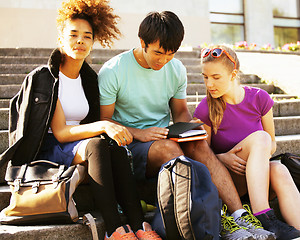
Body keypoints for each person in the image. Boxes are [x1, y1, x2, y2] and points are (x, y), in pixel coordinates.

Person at [98, 11, 274, 240]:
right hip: (130, 146)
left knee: (198, 144)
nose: (163, 61)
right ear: (142, 43)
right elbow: (106, 121)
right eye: (158, 53)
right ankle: (216, 219)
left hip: (163, 137)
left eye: (170, 54)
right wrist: (140, 133)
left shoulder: (176, 69)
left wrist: (189, 128)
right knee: (168, 149)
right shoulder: (114, 70)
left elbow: (180, 112)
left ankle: (238, 215)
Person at [0, 1, 162, 239]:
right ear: (60, 39)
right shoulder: (47, 78)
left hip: (77, 146)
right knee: (97, 144)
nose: (80, 41)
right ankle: (113, 229)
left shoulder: (88, 79)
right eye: (73, 35)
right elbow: (61, 133)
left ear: (93, 42)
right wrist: (104, 126)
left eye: (87, 36)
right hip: (51, 148)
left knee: (114, 148)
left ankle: (139, 226)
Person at [193, 44, 300, 240]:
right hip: (228, 184)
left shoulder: (260, 98)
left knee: (279, 169)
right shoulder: (205, 109)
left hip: (256, 180)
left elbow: (272, 144)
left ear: (233, 75)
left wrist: (254, 157)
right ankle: (263, 216)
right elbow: (201, 155)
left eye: (216, 77)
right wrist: (222, 158)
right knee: (260, 138)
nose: (209, 84)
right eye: (205, 77)